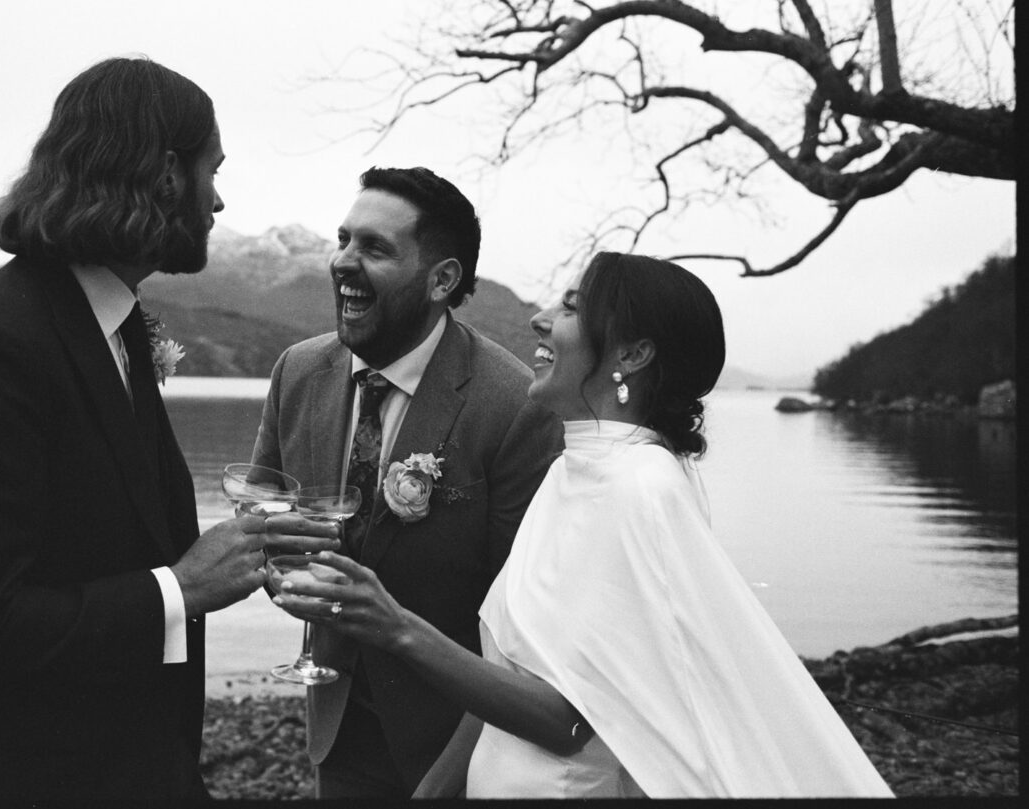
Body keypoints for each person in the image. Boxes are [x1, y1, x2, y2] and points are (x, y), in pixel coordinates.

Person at [0, 57, 336, 801]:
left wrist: (227, 554)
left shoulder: (109, 326)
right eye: (211, 169)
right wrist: (180, 587)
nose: (218, 198)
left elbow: (97, 532)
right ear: (166, 175)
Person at [276, 251, 895, 798]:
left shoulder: (638, 490)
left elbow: (569, 722)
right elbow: (517, 670)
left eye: (571, 308)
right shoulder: (580, 469)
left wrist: (395, 626)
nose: (540, 319)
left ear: (632, 353)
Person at [250, 166, 564, 797]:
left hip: (459, 742)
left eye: (374, 248)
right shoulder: (300, 370)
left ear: (442, 279)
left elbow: (525, 634)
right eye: (343, 240)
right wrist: (278, 568)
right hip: (334, 722)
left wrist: (445, 781)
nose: (343, 262)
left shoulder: (513, 405)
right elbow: (262, 516)